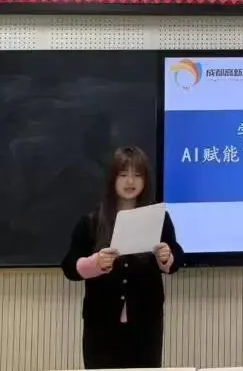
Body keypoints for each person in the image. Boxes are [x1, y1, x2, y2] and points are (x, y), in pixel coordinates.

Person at [61, 146, 184, 369]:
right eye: (123, 174)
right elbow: (69, 266)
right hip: (101, 325)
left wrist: (167, 257)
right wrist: (94, 264)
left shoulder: (158, 217)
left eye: (137, 175)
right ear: (112, 179)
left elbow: (177, 258)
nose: (130, 181)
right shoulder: (92, 221)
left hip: (145, 325)